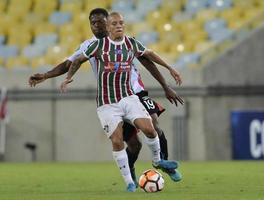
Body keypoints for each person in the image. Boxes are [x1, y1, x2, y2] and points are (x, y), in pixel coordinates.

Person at [29, 8, 183, 184]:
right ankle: (130, 170)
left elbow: (146, 60)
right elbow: (69, 63)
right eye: (92, 23)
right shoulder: (89, 46)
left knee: (153, 123)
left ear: (108, 22)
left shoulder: (125, 41)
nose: (96, 25)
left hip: (135, 91)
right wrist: (46, 75)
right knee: (134, 145)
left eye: (99, 21)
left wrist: (165, 86)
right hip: (112, 98)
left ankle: (163, 163)